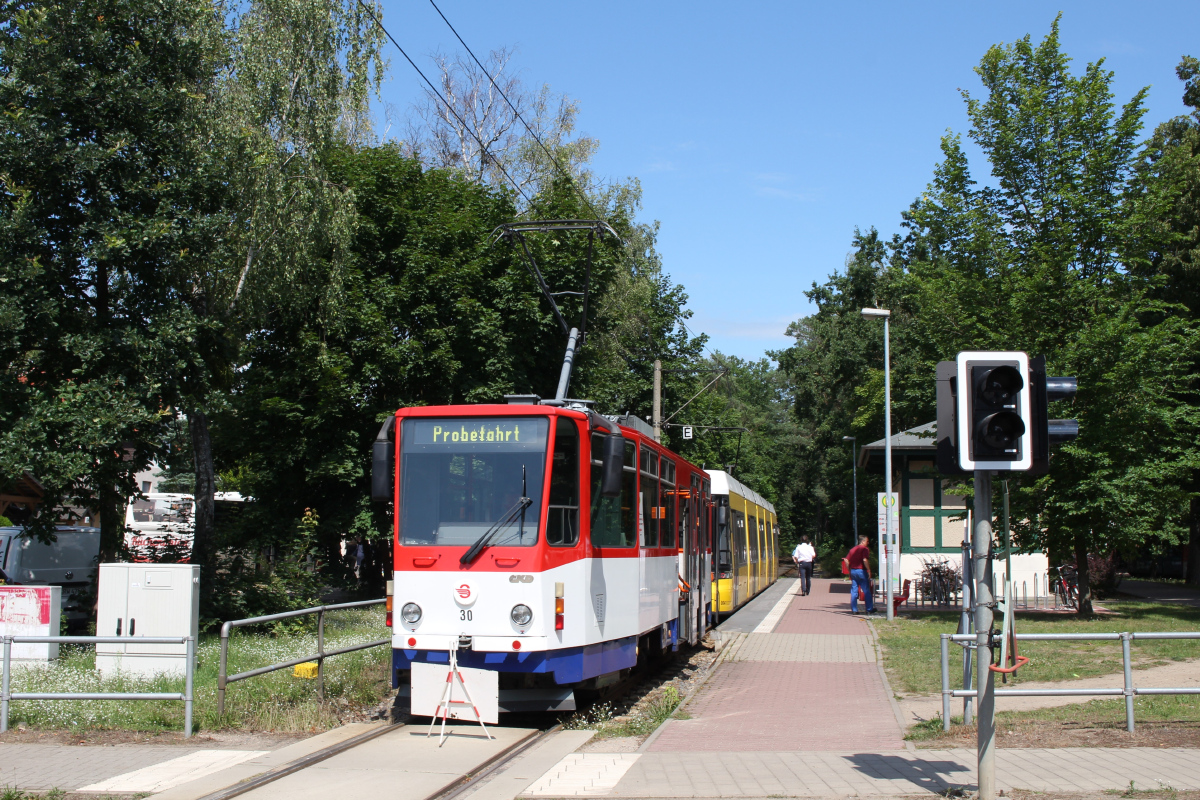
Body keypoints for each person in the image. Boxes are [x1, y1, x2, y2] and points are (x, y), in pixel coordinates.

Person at [845, 535, 876, 614]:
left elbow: (846, 560)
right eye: (867, 541)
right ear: (863, 541)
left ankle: (854, 609)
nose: (868, 543)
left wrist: (849, 569)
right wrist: (869, 570)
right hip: (861, 571)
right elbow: (865, 559)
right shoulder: (864, 549)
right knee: (866, 591)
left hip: (853, 571)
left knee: (854, 591)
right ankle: (869, 609)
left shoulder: (853, 549)